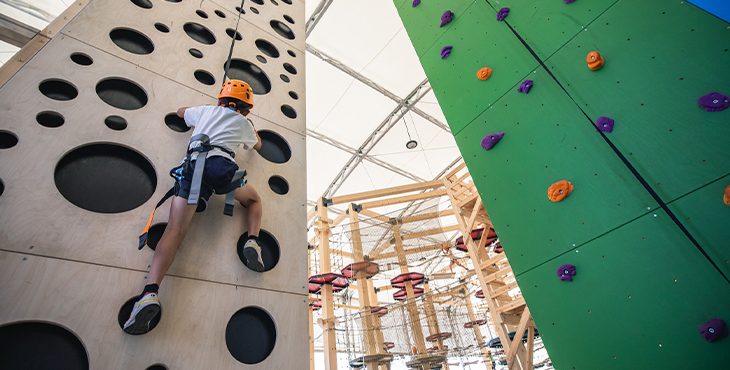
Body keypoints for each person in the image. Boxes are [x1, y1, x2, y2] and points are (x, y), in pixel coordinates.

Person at [123, 79, 264, 335]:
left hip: (193, 166)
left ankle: (149, 293)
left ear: (220, 100)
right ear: (247, 109)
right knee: (253, 201)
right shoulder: (244, 122)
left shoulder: (204, 111)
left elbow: (180, 112)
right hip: (223, 167)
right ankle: (252, 240)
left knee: (174, 231)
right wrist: (251, 127)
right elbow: (257, 146)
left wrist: (200, 111)